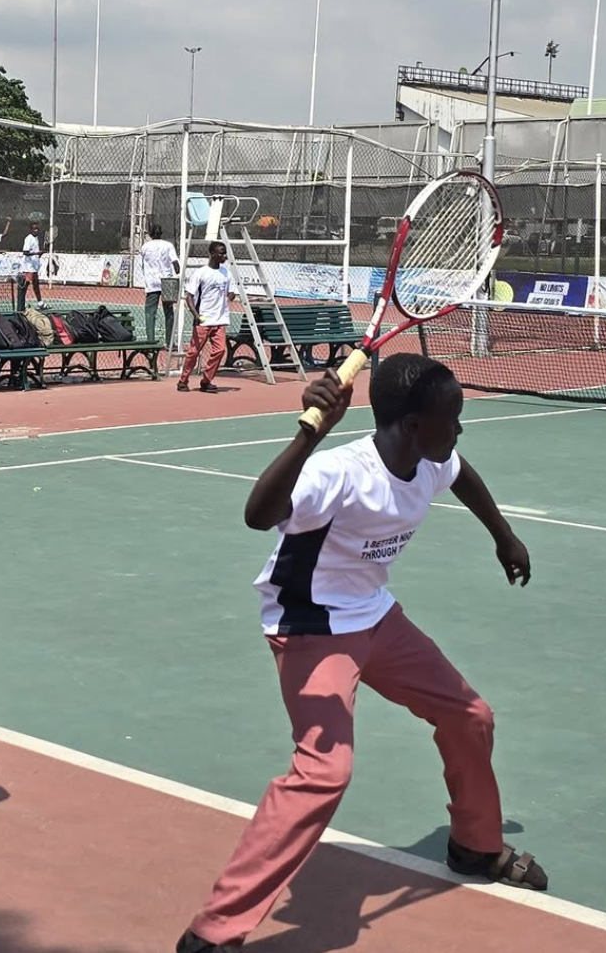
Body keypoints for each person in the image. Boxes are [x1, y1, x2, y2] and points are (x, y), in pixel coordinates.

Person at [176, 356, 544, 952]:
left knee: (470, 715)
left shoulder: (430, 459)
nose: (460, 428)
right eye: (452, 418)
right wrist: (310, 432)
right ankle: (214, 930)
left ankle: (475, 846)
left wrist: (503, 535)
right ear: (413, 426)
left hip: (374, 617)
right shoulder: (339, 473)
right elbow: (257, 515)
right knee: (324, 771)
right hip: (312, 626)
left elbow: (462, 474)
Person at [176, 240, 233, 393]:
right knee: (194, 352)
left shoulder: (226, 273)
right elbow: (189, 297)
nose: (224, 256)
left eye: (225, 253)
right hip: (203, 319)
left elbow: (230, 291)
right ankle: (183, 380)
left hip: (220, 320)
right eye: (221, 253)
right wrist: (195, 315)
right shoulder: (201, 273)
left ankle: (206, 380)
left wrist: (231, 295)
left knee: (220, 350)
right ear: (212, 254)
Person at [139, 222, 179, 348]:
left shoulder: (145, 247)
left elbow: (141, 265)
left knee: (150, 312)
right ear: (161, 233)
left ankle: (151, 341)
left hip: (152, 281)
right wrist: (177, 275)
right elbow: (176, 263)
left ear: (150, 234)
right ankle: (170, 342)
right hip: (166, 280)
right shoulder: (168, 245)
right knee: (169, 312)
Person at [16, 220, 47, 311]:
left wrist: (40, 253)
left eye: (37, 229)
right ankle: (22, 304)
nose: (36, 230)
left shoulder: (36, 238)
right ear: (30, 230)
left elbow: (35, 253)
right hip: (28, 266)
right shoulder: (28, 238)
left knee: (35, 284)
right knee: (25, 285)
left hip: (34, 266)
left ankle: (40, 303)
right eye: (34, 229)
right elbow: (25, 252)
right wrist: (37, 253)